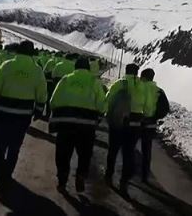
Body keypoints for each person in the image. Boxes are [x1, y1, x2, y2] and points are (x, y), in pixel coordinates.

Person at [0, 40, 47, 189]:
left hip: (4, 111)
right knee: (14, 147)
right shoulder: (37, 70)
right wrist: (39, 110)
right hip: (23, 115)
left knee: (0, 144)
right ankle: (6, 178)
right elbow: (41, 93)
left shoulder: (6, 65)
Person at [49, 57, 106, 193]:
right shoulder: (95, 82)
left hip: (66, 125)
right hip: (86, 126)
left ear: (75, 67)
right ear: (88, 68)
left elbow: (53, 101)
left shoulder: (65, 79)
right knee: (85, 154)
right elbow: (102, 105)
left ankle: (62, 180)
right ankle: (80, 175)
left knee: (63, 153)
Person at [105, 63, 147, 195]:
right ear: (137, 73)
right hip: (135, 123)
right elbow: (149, 106)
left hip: (118, 122)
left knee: (113, 150)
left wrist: (107, 114)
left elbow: (108, 99)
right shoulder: (142, 86)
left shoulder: (119, 83)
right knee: (128, 153)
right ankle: (124, 181)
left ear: (126, 71)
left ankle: (109, 175)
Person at [139, 68, 169, 182]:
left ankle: (128, 173)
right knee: (146, 151)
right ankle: (144, 176)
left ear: (143, 77)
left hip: (136, 124)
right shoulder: (159, 91)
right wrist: (154, 117)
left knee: (129, 148)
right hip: (150, 126)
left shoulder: (138, 88)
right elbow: (165, 108)